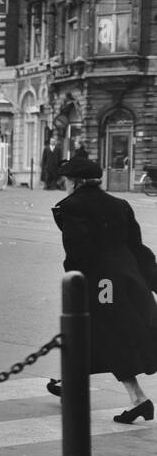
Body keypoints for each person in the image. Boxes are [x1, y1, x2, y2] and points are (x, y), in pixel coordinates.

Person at [46, 152, 157, 422]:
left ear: (76, 182)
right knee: (98, 331)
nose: (65, 185)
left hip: (101, 282)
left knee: (108, 332)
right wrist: (152, 280)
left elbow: (77, 253)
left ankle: (138, 398)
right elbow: (138, 247)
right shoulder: (120, 204)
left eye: (67, 180)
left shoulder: (72, 207)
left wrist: (74, 283)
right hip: (128, 276)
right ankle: (71, 382)